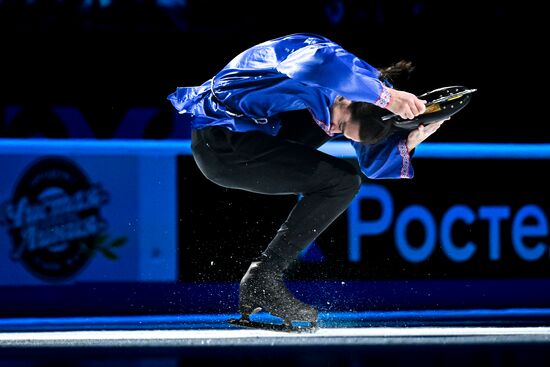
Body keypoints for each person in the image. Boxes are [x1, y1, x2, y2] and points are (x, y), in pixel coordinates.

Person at [168, 33, 446, 328]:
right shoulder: (327, 62)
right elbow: (315, 65)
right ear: (349, 97)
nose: (335, 130)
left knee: (345, 177)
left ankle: (262, 279)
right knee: (341, 181)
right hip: (222, 142)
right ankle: (263, 279)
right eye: (341, 126)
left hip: (249, 136)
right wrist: (387, 98)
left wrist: (411, 138)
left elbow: (371, 165)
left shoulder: (362, 92)